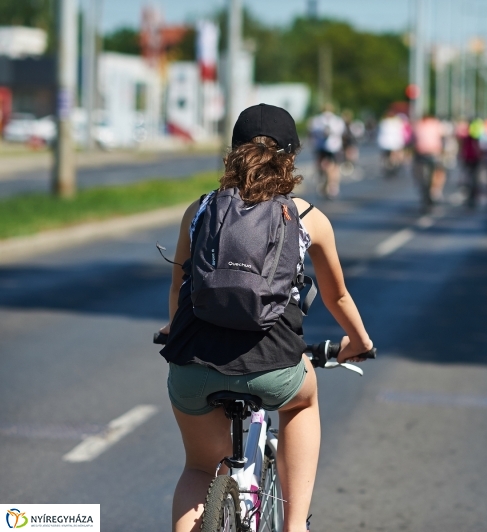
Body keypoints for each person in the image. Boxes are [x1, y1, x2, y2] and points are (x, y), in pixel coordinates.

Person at [160, 104, 373, 532]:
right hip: (272, 364)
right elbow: (338, 296)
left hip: (194, 364)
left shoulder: (199, 210)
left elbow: (178, 293)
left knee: (200, 469)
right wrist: (359, 341)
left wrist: (173, 334)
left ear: (232, 153)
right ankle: (295, 526)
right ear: (292, 157)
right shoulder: (309, 218)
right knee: (303, 400)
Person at [309, 104, 346, 198]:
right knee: (333, 167)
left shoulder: (317, 120)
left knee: (327, 166)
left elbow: (311, 132)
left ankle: (330, 185)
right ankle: (332, 186)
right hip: (331, 147)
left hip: (327, 147)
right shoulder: (334, 120)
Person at [412, 114, 446, 209]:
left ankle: (419, 183)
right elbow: (442, 137)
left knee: (417, 171)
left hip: (420, 153)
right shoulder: (436, 124)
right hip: (433, 152)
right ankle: (436, 190)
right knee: (439, 171)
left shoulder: (418, 124)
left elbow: (412, 139)